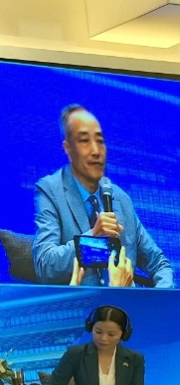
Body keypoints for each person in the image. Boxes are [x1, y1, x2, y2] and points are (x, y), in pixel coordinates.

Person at [32, 104, 173, 289]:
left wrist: (160, 300)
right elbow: (45, 266)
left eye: (99, 141)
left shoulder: (120, 198)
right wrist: (93, 236)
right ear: (68, 147)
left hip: (126, 305)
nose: (96, 151)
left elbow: (159, 264)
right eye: (84, 141)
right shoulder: (50, 190)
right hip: (84, 306)